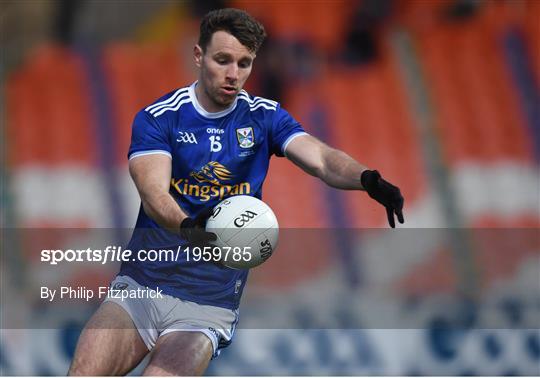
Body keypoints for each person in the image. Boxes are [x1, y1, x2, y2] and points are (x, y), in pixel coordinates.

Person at [68, 8, 404, 376]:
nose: (233, 75)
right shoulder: (160, 117)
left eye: (244, 63)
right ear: (199, 56)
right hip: (139, 291)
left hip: (205, 308)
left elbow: (321, 158)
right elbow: (154, 194)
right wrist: (189, 228)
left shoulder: (265, 117)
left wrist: (367, 178)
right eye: (223, 60)